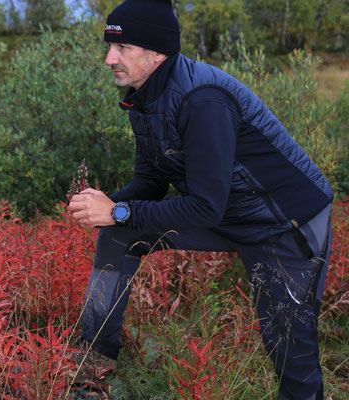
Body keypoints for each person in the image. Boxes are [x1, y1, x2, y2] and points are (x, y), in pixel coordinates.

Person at [67, 1, 333, 399]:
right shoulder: (143, 96)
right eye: (109, 46)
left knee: (290, 349)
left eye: (122, 48)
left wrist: (118, 211)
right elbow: (152, 180)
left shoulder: (204, 99)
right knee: (119, 235)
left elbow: (207, 206)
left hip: (283, 224)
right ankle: (94, 362)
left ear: (157, 52)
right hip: (226, 211)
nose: (109, 59)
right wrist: (105, 206)